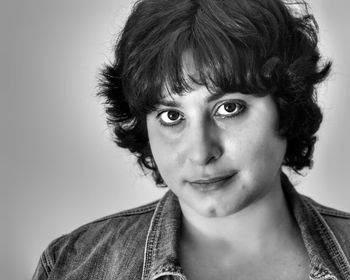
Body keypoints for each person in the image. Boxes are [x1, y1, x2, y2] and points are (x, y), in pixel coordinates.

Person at [32, 0, 350, 279]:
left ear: (286, 107)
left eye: (229, 108)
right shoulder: (72, 265)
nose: (200, 152)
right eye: (172, 116)